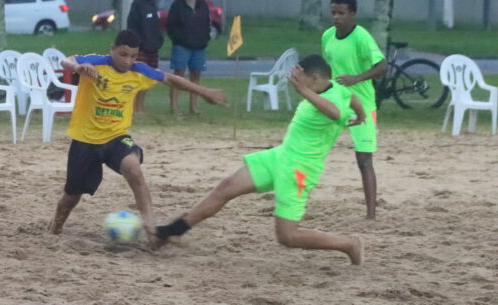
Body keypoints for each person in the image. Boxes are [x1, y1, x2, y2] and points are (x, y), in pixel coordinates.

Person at [152, 55, 366, 265]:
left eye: (300, 78)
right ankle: (176, 231)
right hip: (280, 156)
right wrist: (361, 115)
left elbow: (335, 112)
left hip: (299, 170)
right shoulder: (337, 90)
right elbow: (353, 99)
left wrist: (303, 91)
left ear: (316, 78)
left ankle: (349, 244)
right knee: (226, 187)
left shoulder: (332, 98)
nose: (295, 81)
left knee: (287, 237)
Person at [48, 30, 226, 244]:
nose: (128, 60)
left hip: (116, 138)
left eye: (133, 56)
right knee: (71, 197)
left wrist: (204, 92)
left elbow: (171, 79)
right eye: (123, 54)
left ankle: (151, 229)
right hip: (85, 140)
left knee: (133, 169)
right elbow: (67, 60)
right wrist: (78, 67)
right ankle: (55, 228)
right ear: (112, 49)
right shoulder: (97, 63)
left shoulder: (139, 72)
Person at [322, 0, 388, 219]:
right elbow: (326, 71)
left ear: (352, 14)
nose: (336, 17)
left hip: (363, 105)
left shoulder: (361, 37)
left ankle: (371, 214)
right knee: (311, 149)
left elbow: (382, 66)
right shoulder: (327, 37)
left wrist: (356, 78)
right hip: (336, 102)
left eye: (341, 13)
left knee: (364, 159)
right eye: (333, 12)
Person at [166, 0, 211, 115]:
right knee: (178, 75)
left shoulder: (202, 5)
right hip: (182, 46)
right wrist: (178, 39)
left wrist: (205, 38)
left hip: (199, 47)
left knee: (196, 76)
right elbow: (170, 25)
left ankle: (193, 107)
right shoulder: (177, 5)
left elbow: (207, 23)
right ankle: (174, 107)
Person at [127, 0, 164, 113]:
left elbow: (157, 28)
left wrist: (158, 42)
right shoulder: (137, 6)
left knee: (148, 78)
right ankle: (134, 107)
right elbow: (132, 28)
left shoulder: (153, 6)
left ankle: (140, 106)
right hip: (141, 49)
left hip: (153, 49)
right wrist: (139, 44)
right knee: (138, 78)